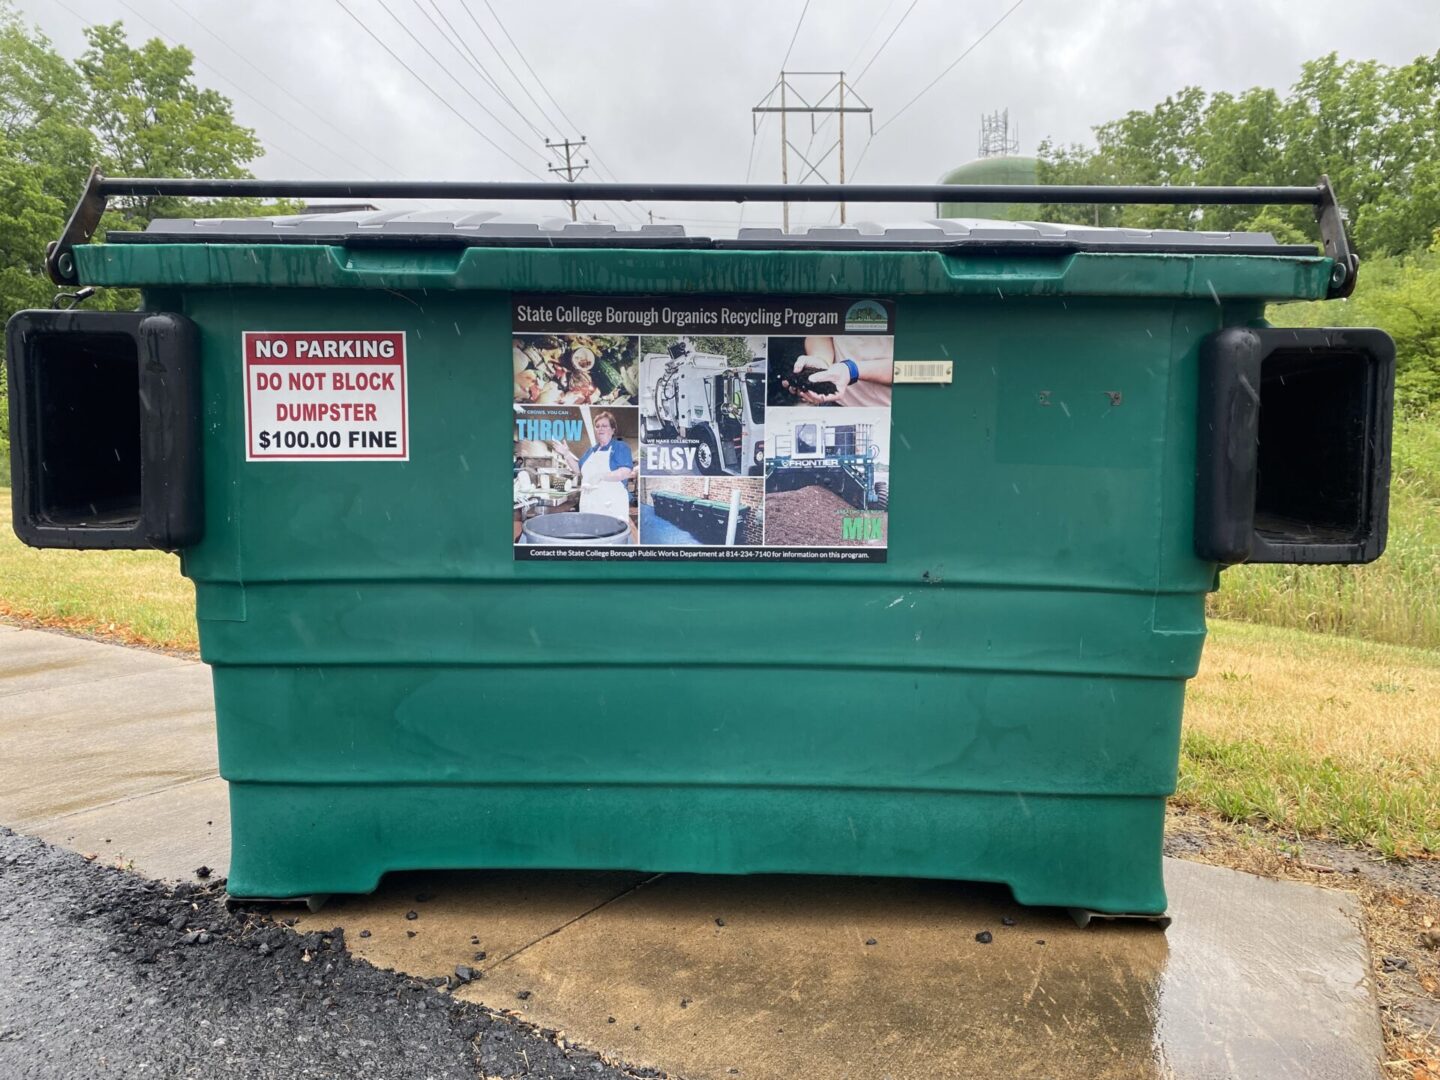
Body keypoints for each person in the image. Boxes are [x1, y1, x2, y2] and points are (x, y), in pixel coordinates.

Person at [551, 410, 634, 524]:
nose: (600, 429)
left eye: (604, 426)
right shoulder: (591, 451)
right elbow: (579, 470)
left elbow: (625, 472)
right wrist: (566, 454)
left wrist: (601, 476)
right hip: (589, 506)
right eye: (597, 426)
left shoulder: (620, 447)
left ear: (613, 430)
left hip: (610, 509)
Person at [783, 335, 892, 407]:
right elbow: (821, 332)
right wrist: (822, 360)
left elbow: (907, 367)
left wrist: (851, 370)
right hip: (837, 402)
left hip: (890, 410)